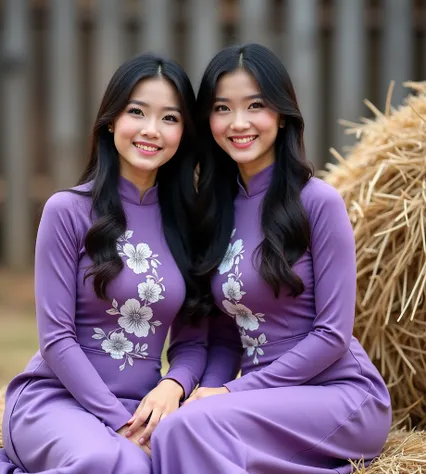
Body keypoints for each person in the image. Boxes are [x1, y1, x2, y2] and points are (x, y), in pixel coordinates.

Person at [150, 43, 392, 474]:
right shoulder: (216, 211)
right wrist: (208, 389)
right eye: (222, 108)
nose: (238, 123)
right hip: (265, 399)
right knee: (179, 428)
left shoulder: (318, 203)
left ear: (281, 115)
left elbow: (333, 335)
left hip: (338, 395)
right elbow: (224, 335)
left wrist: (230, 395)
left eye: (255, 106)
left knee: (185, 430)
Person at [0, 52, 207, 474]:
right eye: (136, 112)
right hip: (56, 399)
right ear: (109, 121)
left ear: (184, 133)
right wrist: (120, 423)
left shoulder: (189, 226)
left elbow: (193, 341)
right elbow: (56, 338)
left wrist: (173, 385)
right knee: (112, 462)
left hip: (140, 407)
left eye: (169, 118)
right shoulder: (67, 210)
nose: (150, 130)